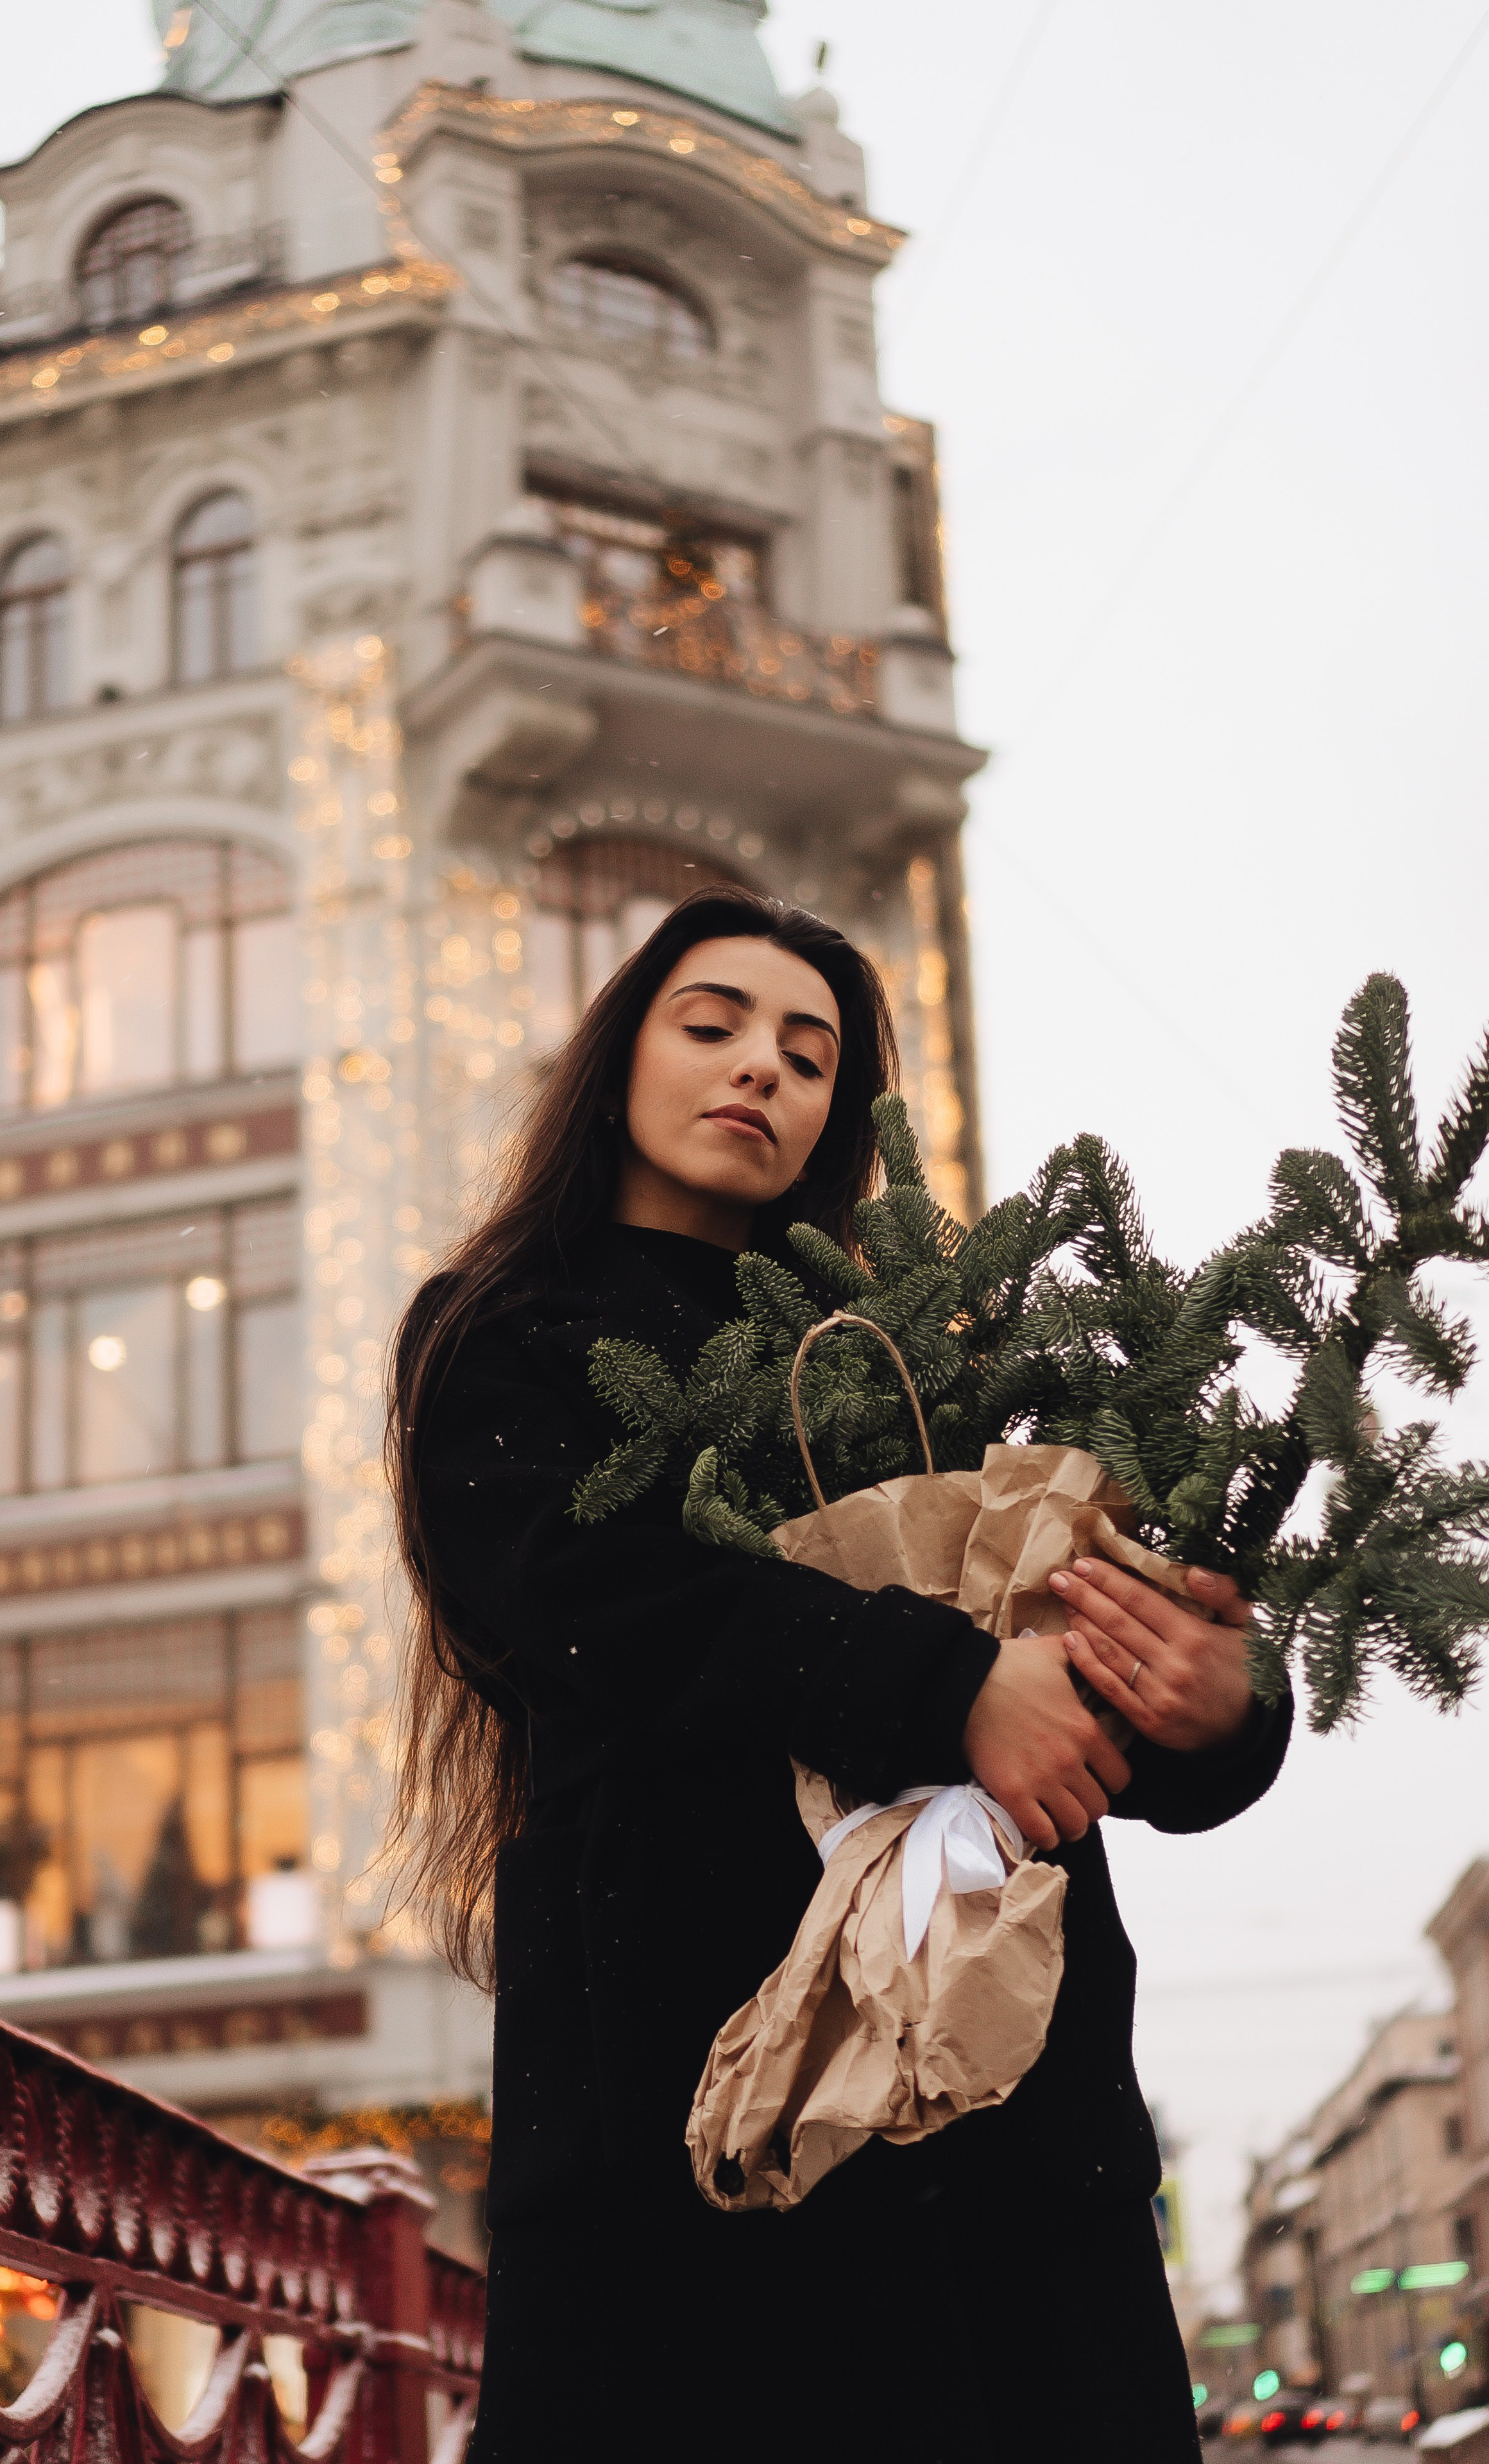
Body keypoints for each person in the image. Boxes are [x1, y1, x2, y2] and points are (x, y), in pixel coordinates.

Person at [386, 888, 1289, 2463]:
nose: (761, 1072)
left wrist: (1216, 1716)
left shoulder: (929, 1357)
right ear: (617, 1061)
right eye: (713, 1024)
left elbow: (1078, 1620)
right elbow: (592, 1603)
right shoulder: (503, 1331)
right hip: (694, 2105)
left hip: (1008, 2118)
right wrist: (944, 1691)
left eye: (809, 1057)